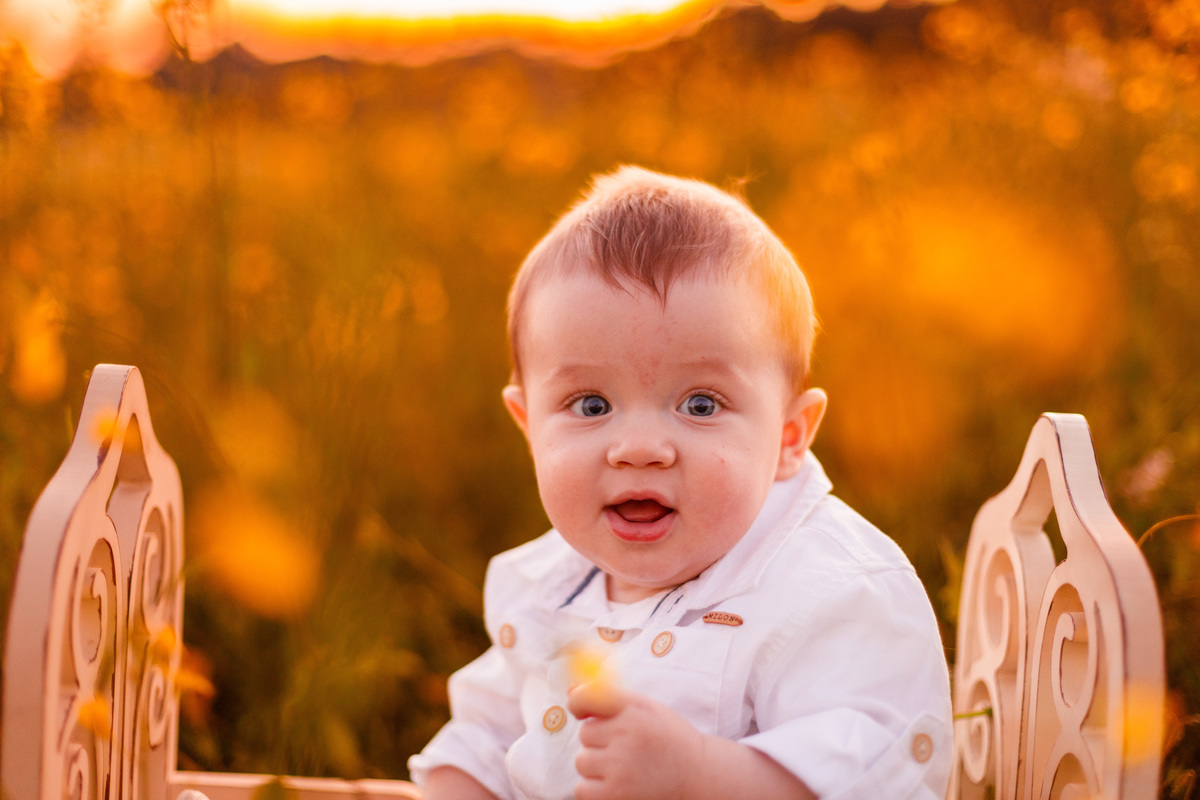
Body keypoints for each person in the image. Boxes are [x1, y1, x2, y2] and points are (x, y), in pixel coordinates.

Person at [408, 166, 952, 800]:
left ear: (788, 436)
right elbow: (487, 735)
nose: (639, 449)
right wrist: (458, 782)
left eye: (699, 404)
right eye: (590, 404)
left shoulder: (830, 590)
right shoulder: (546, 585)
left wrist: (698, 774)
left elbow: (874, 769)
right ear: (528, 426)